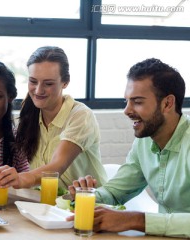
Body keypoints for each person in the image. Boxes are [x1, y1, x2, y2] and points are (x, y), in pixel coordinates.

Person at [69, 58, 190, 238]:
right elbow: (116, 191)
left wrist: (136, 220)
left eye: (137, 102)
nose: (127, 110)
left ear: (167, 103)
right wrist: (86, 195)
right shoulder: (144, 141)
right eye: (126, 101)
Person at [0, 46, 107, 190]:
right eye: (33, 81)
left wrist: (22, 178)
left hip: (89, 204)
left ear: (65, 82)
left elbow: (58, 165)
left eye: (48, 83)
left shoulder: (80, 115)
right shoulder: (28, 117)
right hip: (49, 205)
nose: (38, 90)